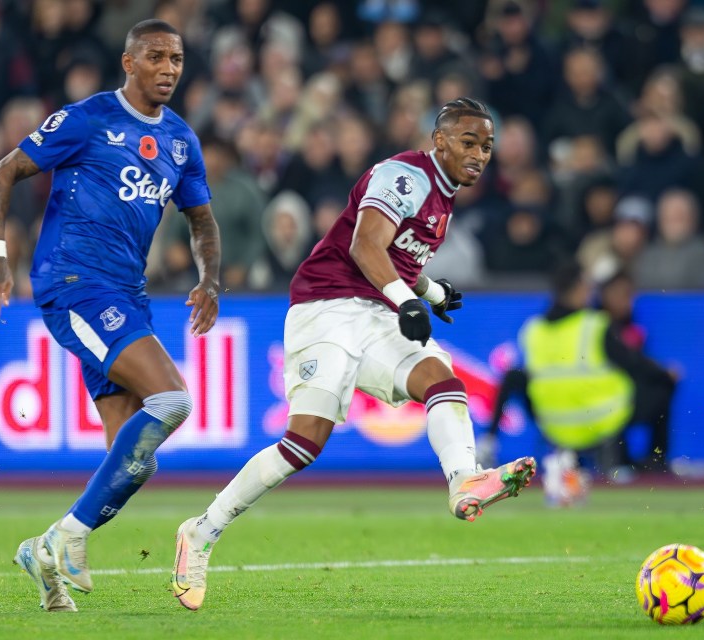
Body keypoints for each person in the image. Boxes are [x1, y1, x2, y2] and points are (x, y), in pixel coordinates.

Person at [171, 98, 537, 611]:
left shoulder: (444, 196)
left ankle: (464, 481)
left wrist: (429, 292)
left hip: (374, 313)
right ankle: (202, 530)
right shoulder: (404, 176)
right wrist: (409, 301)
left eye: (488, 146)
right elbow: (366, 246)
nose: (480, 154)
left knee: (440, 376)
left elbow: (396, 256)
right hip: (326, 309)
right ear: (440, 141)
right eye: (469, 142)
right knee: (303, 442)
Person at [0, 19, 221, 612]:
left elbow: (201, 220)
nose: (168, 68)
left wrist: (211, 278)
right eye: (156, 57)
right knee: (173, 400)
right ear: (129, 63)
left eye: (177, 58)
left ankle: (45, 552)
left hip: (126, 294)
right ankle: (68, 538)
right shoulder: (87, 119)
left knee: (132, 458)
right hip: (74, 283)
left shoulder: (181, 141)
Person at [476, 261, 676, 505]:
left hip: (553, 426)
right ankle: (655, 463)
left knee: (515, 375)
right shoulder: (594, 324)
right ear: (579, 288)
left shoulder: (533, 329)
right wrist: (666, 374)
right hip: (602, 421)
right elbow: (634, 362)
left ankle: (488, 442)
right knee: (659, 385)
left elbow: (517, 378)